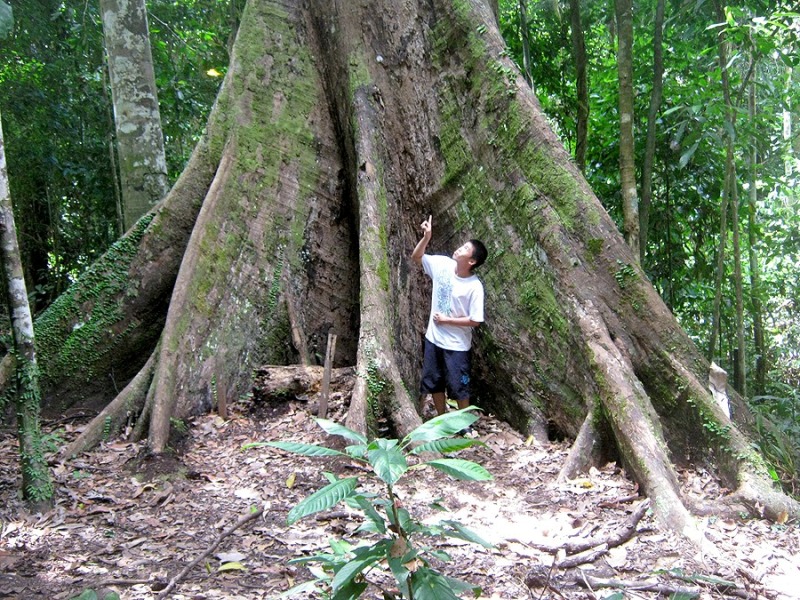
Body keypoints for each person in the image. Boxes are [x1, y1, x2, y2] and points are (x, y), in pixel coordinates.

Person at [410, 215, 487, 417]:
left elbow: (476, 320)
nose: (458, 249)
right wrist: (426, 238)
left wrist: (447, 321)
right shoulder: (442, 265)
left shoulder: (474, 286)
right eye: (461, 246)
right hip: (434, 338)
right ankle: (442, 419)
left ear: (471, 261)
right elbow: (417, 257)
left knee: (459, 386)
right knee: (434, 382)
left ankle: (463, 424)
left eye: (464, 250)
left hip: (457, 345)